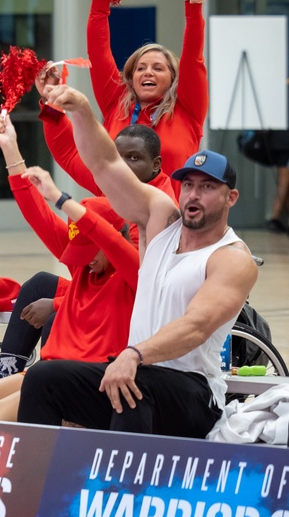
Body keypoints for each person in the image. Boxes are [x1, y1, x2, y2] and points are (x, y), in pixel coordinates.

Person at [18, 85, 258, 437]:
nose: (193, 194)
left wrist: (134, 354)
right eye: (188, 184)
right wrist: (82, 110)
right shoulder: (160, 220)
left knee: (133, 386)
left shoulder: (232, 258)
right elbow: (106, 163)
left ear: (231, 198)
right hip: (136, 372)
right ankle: (34, 483)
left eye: (207, 187)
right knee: (43, 379)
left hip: (193, 394)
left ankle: (121, 489)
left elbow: (196, 326)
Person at [0, 113, 138, 422]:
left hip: (79, 381)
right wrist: (11, 151)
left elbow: (111, 241)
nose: (85, 260)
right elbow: (38, 215)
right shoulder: (85, 268)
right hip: (46, 372)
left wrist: (62, 199)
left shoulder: (135, 272)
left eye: (92, 250)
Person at [88, 0, 213, 189]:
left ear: (174, 77)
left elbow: (193, 58)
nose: (148, 72)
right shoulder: (116, 102)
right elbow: (98, 54)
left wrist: (195, 7)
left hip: (171, 219)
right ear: (132, 77)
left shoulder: (188, 109)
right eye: (141, 67)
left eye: (158, 68)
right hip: (118, 219)